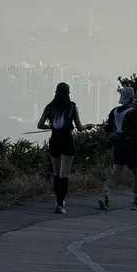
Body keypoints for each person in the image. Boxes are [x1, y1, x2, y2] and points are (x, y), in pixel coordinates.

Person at [38, 82, 95, 215]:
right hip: (67, 141)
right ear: (67, 93)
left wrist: (51, 127)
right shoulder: (72, 107)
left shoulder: (50, 107)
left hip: (55, 140)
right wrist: (88, 126)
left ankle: (58, 202)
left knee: (56, 173)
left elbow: (40, 125)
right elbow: (80, 128)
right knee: (65, 174)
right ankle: (61, 204)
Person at [99, 86, 137, 212]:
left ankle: (105, 195)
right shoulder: (134, 113)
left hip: (118, 147)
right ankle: (136, 201)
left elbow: (108, 129)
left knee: (116, 173)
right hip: (133, 148)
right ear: (132, 99)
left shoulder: (114, 111)